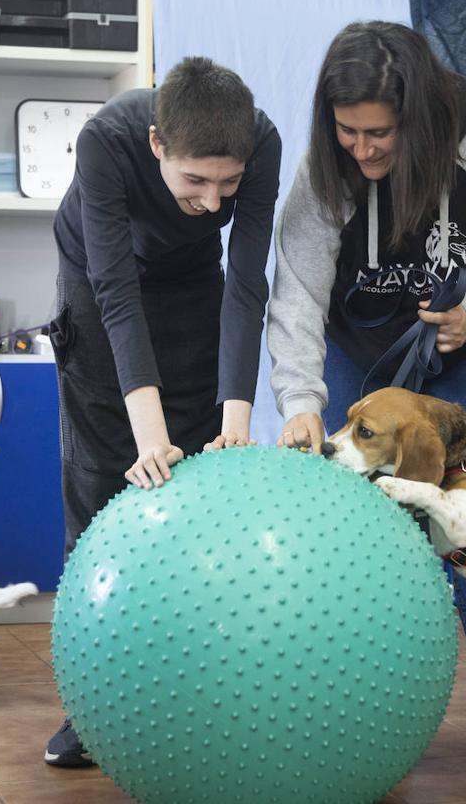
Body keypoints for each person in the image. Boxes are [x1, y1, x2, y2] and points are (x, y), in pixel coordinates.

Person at [267, 22, 466, 772]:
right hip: (360, 352)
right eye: (346, 131)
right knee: (352, 514)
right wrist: (302, 398)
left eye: (380, 134)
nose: (361, 149)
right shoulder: (323, 168)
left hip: (461, 345)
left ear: (420, 117)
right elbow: (298, 290)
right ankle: (338, 695)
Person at [44, 57, 282, 766]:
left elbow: (246, 287)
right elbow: (116, 295)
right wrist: (146, 441)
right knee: (102, 483)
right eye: (195, 182)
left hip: (189, 284)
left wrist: (233, 423)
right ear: (157, 146)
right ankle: (92, 703)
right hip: (96, 278)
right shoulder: (105, 141)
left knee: (201, 483)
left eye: (228, 184)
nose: (214, 202)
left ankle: (200, 688)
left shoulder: (261, 142)